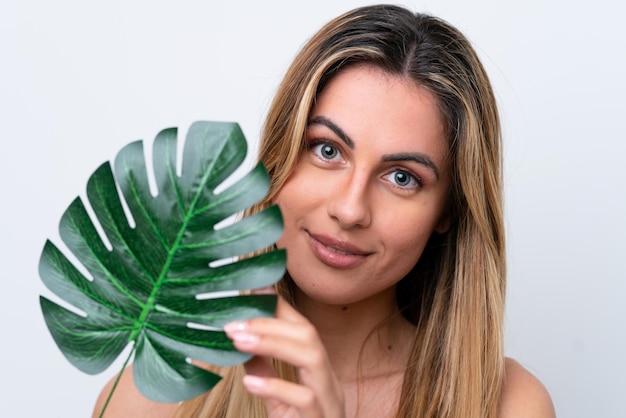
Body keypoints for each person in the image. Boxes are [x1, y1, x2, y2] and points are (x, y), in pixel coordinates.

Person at [93, 4, 555, 417]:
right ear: (278, 156)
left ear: (448, 212)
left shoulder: (508, 405)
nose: (350, 209)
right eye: (327, 150)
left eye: (402, 177)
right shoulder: (154, 397)